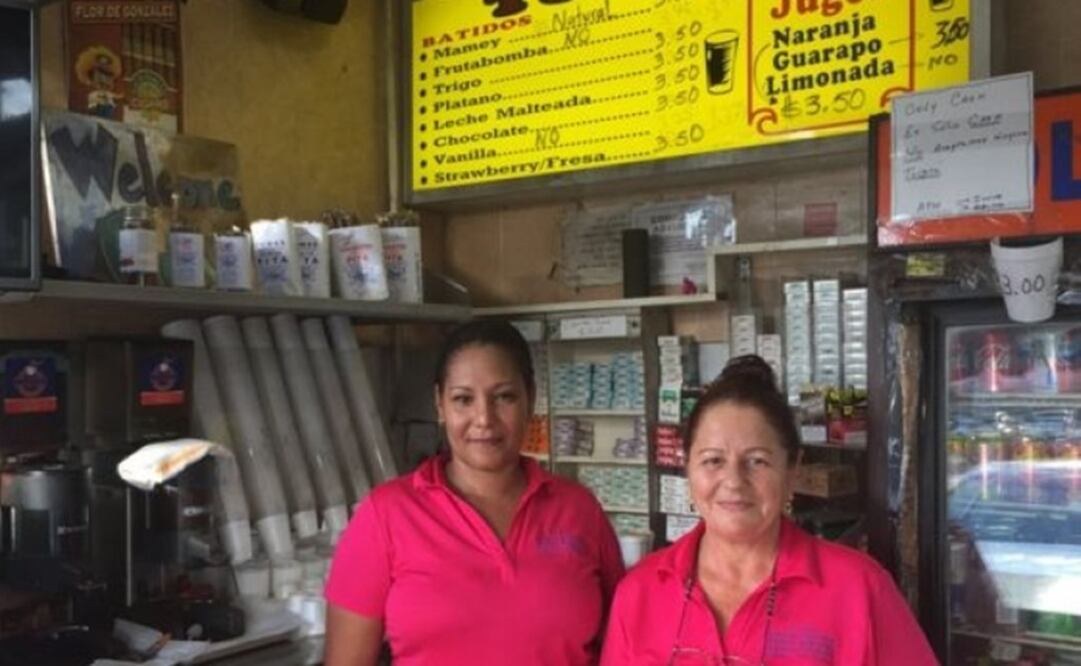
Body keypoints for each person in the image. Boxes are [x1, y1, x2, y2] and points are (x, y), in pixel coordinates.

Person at [600, 355, 938, 665]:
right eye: (713, 460)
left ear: (792, 470)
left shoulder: (859, 589)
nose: (733, 481)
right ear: (687, 468)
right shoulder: (640, 593)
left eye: (757, 461)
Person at [325, 319, 625, 666]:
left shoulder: (579, 510)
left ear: (531, 398)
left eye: (504, 397)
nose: (484, 418)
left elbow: (620, 646)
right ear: (439, 404)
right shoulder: (386, 514)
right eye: (463, 399)